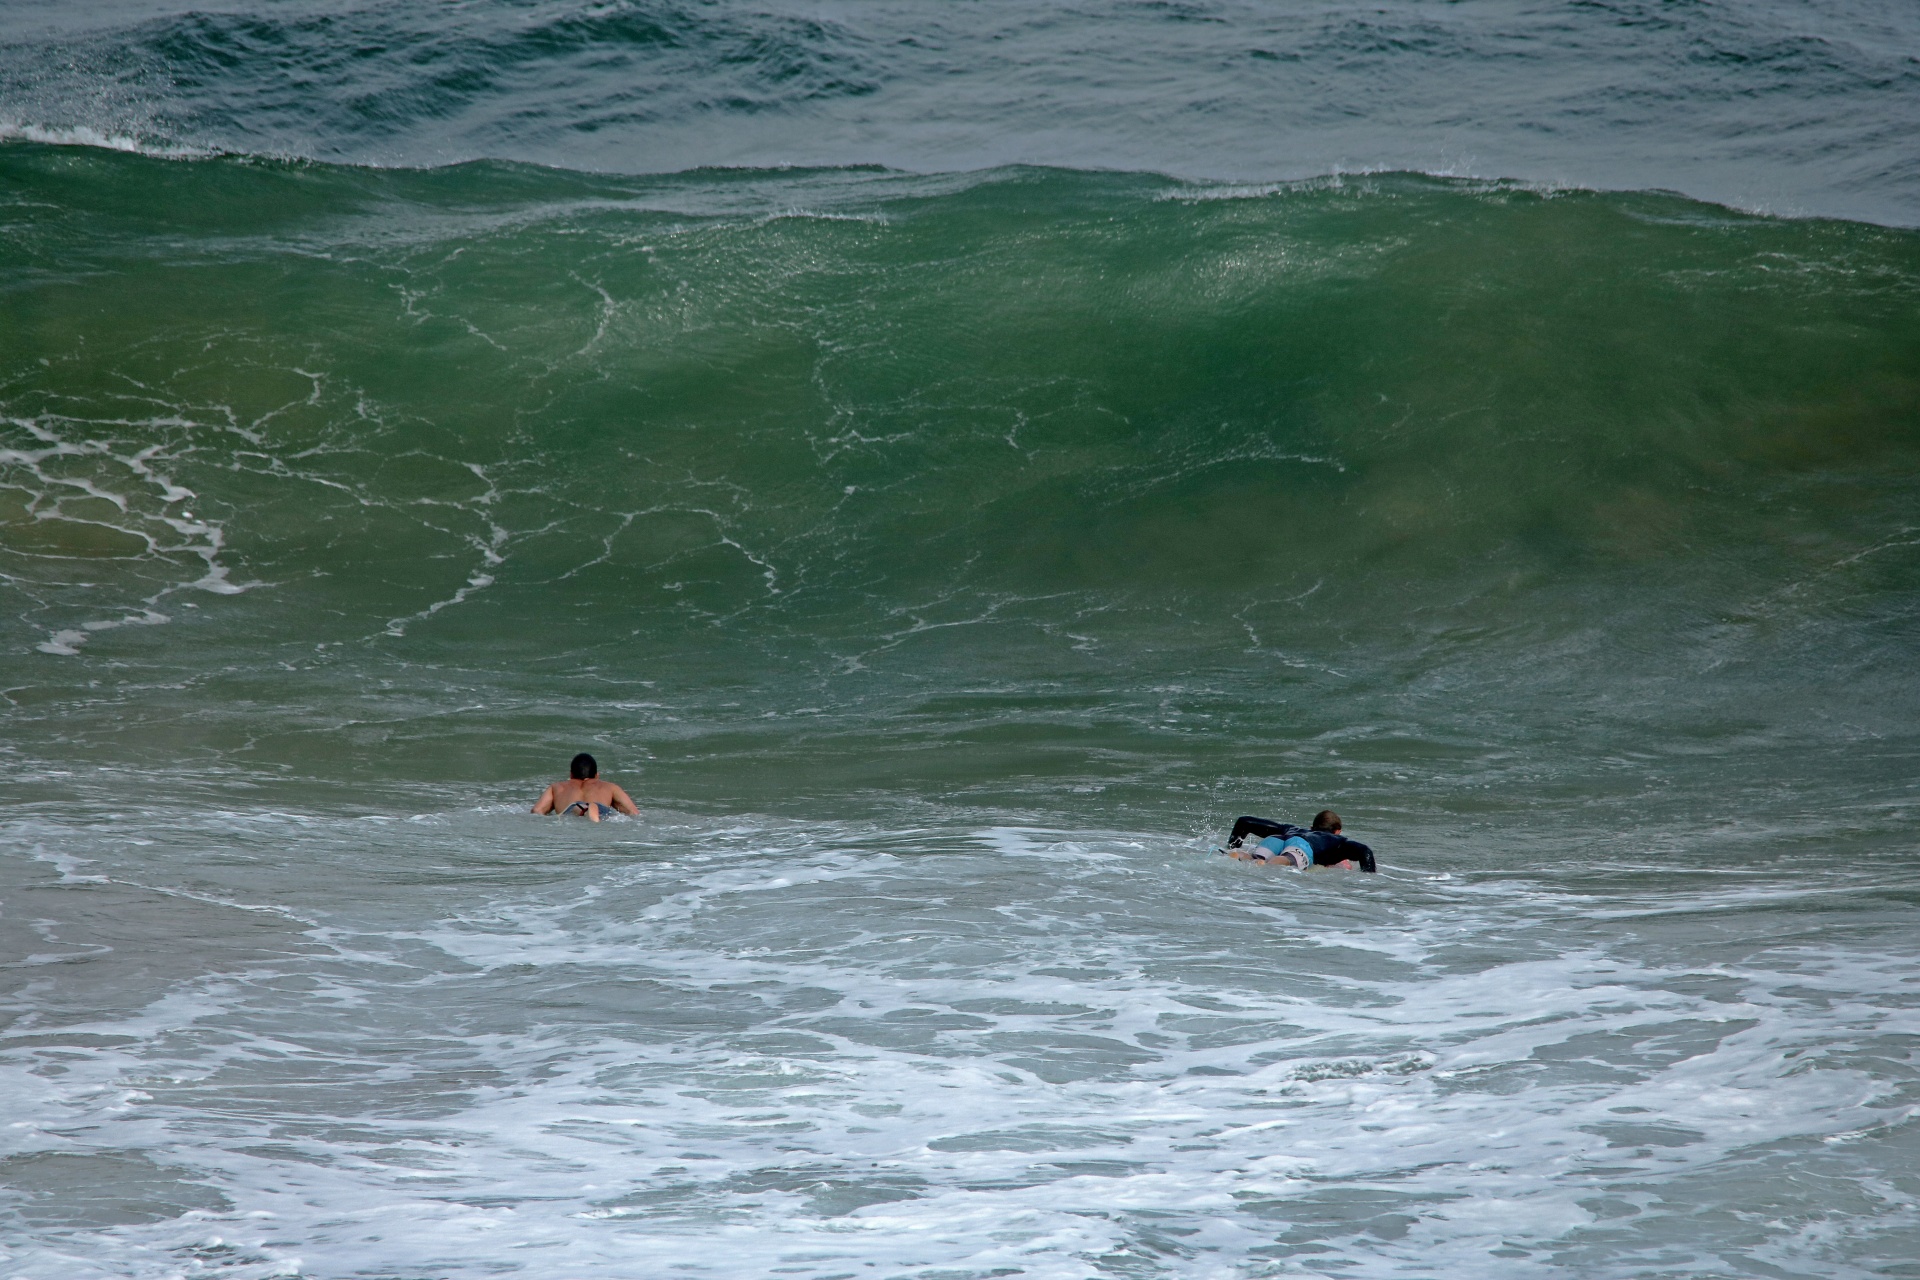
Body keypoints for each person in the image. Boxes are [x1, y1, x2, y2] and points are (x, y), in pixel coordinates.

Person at [1225, 809, 1376, 872]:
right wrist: (1368, 879)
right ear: (1337, 832)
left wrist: (1232, 845)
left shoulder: (1290, 828)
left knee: (1253, 857)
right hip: (1301, 846)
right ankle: (1268, 864)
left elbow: (1244, 822)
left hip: (1277, 838)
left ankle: (1237, 855)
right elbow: (1365, 851)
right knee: (1287, 859)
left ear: (1312, 827)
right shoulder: (1336, 840)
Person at [532, 753, 640, 821]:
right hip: (600, 808)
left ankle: (582, 809)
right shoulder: (610, 787)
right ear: (597, 775)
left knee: (573, 812)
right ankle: (592, 810)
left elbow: (537, 811)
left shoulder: (557, 787)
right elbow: (633, 812)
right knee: (605, 815)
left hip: (571, 808)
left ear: (571, 775)